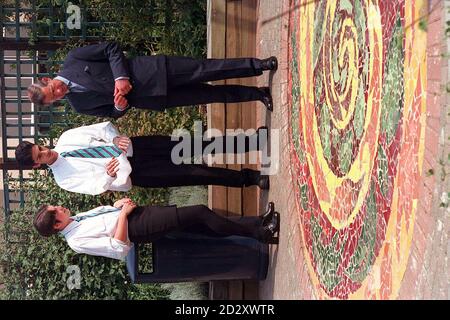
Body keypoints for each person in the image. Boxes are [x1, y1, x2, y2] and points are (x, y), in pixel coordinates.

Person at [27, 41, 278, 118]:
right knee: (211, 95)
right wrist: (119, 106)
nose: (59, 93)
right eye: (55, 99)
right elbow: (113, 113)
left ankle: (259, 65)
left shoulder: (74, 60)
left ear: (48, 78)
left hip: (153, 71)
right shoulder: (79, 104)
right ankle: (258, 94)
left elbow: (111, 49)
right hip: (153, 97)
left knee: (208, 69)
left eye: (53, 89)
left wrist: (120, 77)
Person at [15, 121, 270, 195]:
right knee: (197, 173)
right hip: (137, 173)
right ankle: (251, 178)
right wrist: (108, 176)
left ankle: (252, 141)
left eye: (41, 147)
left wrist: (114, 138)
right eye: (41, 156)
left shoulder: (68, 137)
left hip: (137, 148)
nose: (46, 151)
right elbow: (92, 188)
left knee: (196, 145)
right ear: (37, 164)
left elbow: (101, 129)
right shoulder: (64, 179)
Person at [33, 199, 280, 260]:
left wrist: (119, 205)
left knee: (199, 225)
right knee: (200, 212)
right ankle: (260, 233)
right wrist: (123, 215)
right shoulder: (76, 240)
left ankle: (258, 223)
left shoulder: (76, 219)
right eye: (58, 210)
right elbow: (118, 248)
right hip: (138, 227)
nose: (62, 207)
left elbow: (107, 212)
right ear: (57, 225)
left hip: (138, 215)